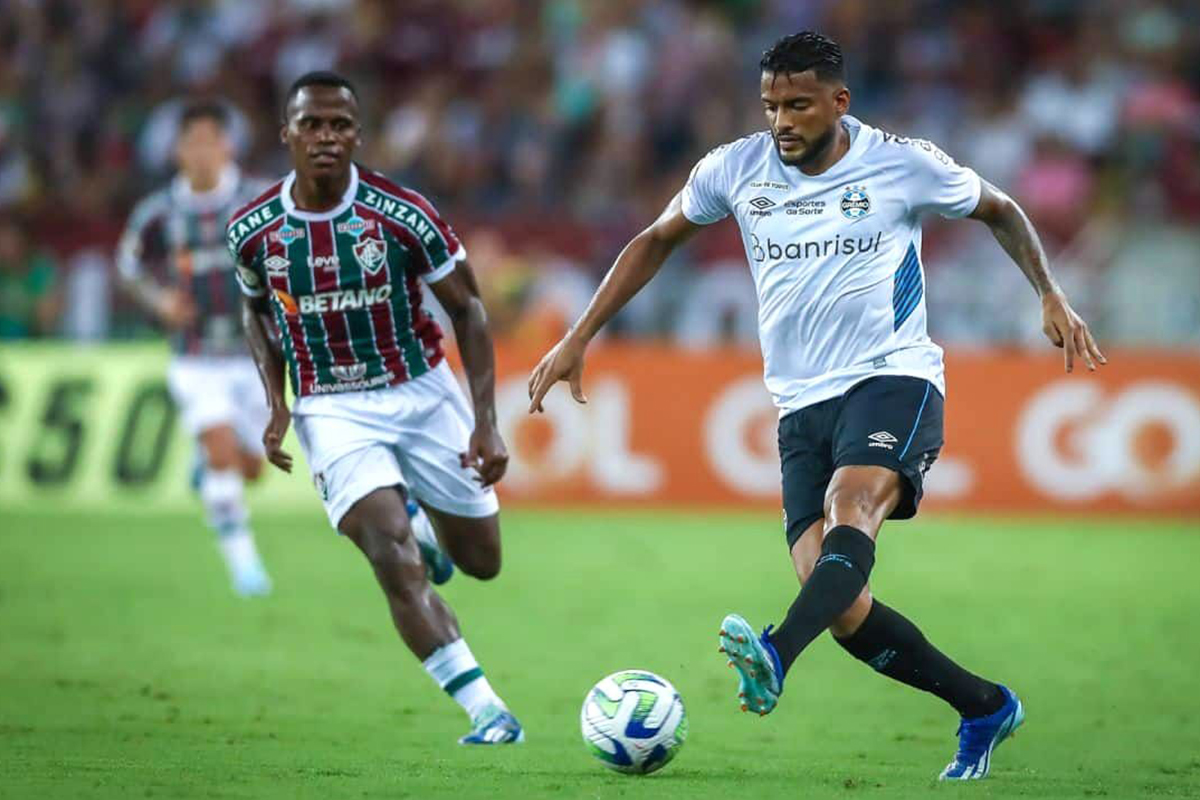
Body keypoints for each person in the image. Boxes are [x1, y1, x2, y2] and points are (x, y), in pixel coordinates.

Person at [527, 31, 1107, 780]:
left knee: (850, 507)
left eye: (798, 105)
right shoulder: (734, 168)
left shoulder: (901, 163)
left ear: (840, 101)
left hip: (893, 376)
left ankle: (774, 654)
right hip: (800, 403)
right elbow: (656, 238)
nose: (782, 122)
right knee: (839, 601)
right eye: (771, 105)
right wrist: (579, 335)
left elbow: (999, 209)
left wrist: (1050, 292)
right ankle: (984, 706)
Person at [229, 71, 522, 744]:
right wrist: (276, 403)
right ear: (287, 134)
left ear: (357, 135)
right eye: (311, 124)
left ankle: (425, 526)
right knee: (392, 555)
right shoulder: (254, 229)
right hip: (331, 408)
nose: (325, 137)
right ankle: (487, 711)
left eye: (339, 125)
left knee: (481, 562)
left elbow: (470, 311)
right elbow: (255, 309)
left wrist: (485, 421)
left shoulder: (402, 214)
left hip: (420, 392)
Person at [117, 101, 273, 597]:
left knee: (252, 468)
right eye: (193, 143)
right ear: (178, 151)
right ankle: (246, 568)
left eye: (212, 141)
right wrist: (159, 300)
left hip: (254, 355)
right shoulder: (159, 211)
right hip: (195, 354)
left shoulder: (259, 200)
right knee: (222, 451)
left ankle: (206, 467)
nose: (203, 152)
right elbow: (128, 266)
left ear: (228, 146)